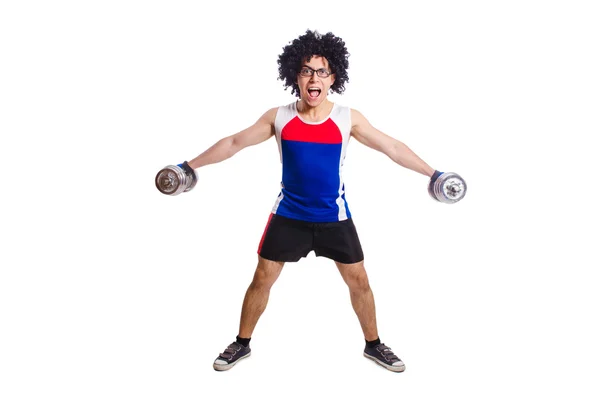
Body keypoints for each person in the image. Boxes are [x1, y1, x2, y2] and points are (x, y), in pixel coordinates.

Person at [180, 30, 444, 373]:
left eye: (321, 71)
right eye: (306, 71)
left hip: (333, 217)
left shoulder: (348, 118)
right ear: (296, 77)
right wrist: (188, 167)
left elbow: (392, 147)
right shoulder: (279, 116)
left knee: (359, 281)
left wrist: (433, 174)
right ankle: (241, 344)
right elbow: (233, 143)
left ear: (333, 77)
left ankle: (374, 345)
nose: (314, 78)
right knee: (262, 278)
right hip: (289, 215)